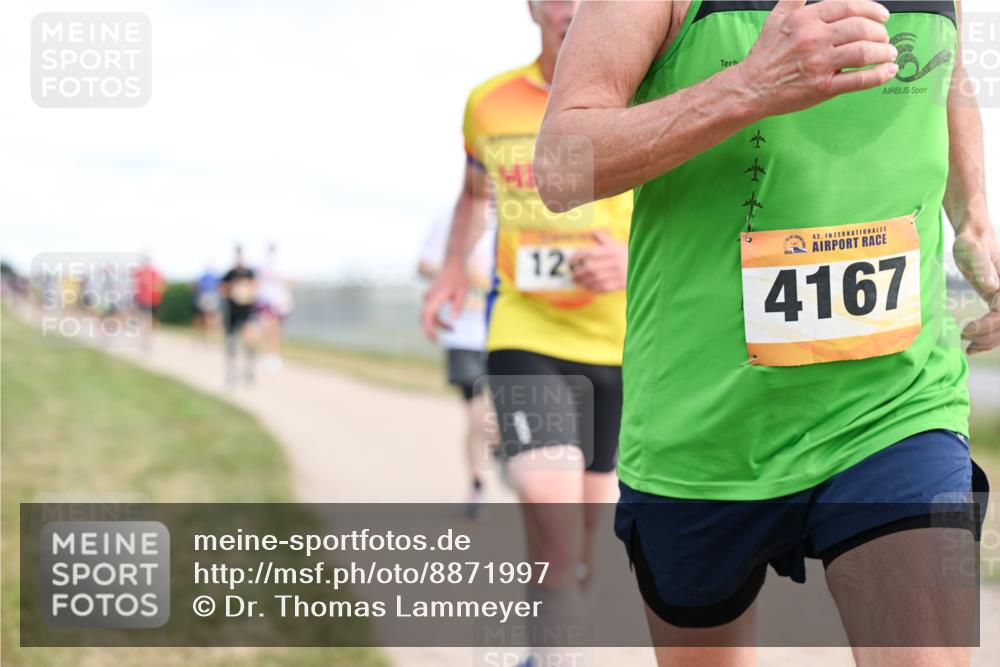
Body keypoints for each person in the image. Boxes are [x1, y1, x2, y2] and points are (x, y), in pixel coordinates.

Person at [537, 1, 997, 665]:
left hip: (896, 404)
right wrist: (750, 86)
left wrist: (977, 220)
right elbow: (558, 167)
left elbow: (946, 73)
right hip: (702, 433)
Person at [421, 1, 632, 662]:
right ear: (533, 6)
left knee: (583, 538)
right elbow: (472, 195)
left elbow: (689, 207)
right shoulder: (489, 102)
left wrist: (633, 261)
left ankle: (557, 612)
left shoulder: (645, 94)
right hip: (526, 330)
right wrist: (454, 266)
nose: (572, 7)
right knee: (552, 508)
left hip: (620, 343)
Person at [418, 214, 497, 518]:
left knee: (496, 417)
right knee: (478, 413)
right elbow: (424, 265)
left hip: (503, 332)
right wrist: (457, 271)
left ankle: (501, 450)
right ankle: (478, 483)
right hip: (462, 334)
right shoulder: (450, 221)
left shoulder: (519, 216)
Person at [220, 245, 259, 388]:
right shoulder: (229, 274)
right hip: (232, 312)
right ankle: (231, 372)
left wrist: (246, 291)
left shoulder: (250, 273)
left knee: (250, 341)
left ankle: (249, 371)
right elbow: (223, 289)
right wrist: (232, 289)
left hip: (247, 312)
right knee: (231, 343)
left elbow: (255, 289)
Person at [256, 243, 294, 373]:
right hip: (267, 301)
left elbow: (291, 281)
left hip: (279, 301)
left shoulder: (283, 264)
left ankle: (274, 356)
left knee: (276, 330)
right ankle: (269, 354)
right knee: (269, 327)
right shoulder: (263, 264)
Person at [132, 256, 164, 348]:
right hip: (142, 300)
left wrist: (155, 289)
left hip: (153, 300)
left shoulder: (154, 272)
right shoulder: (139, 272)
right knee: (145, 318)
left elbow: (160, 285)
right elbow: (133, 285)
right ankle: (145, 338)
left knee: (151, 319)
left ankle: (148, 337)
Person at [193, 264, 222, 343]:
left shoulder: (208, 277)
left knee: (209, 317)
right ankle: (207, 335)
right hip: (208, 297)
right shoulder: (206, 277)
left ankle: (210, 335)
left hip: (209, 297)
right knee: (206, 317)